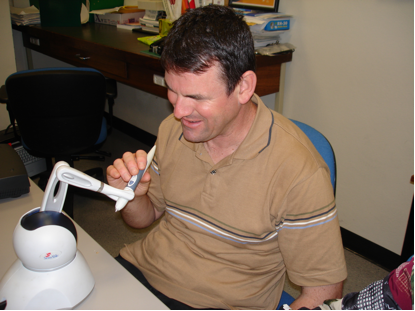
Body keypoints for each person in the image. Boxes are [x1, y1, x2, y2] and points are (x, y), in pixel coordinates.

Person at [107, 5, 347, 310]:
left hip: (223, 301)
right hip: (145, 269)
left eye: (196, 97)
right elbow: (145, 218)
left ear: (243, 87)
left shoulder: (298, 169)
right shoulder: (173, 129)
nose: (178, 111)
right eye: (173, 91)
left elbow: (323, 292)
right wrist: (131, 195)